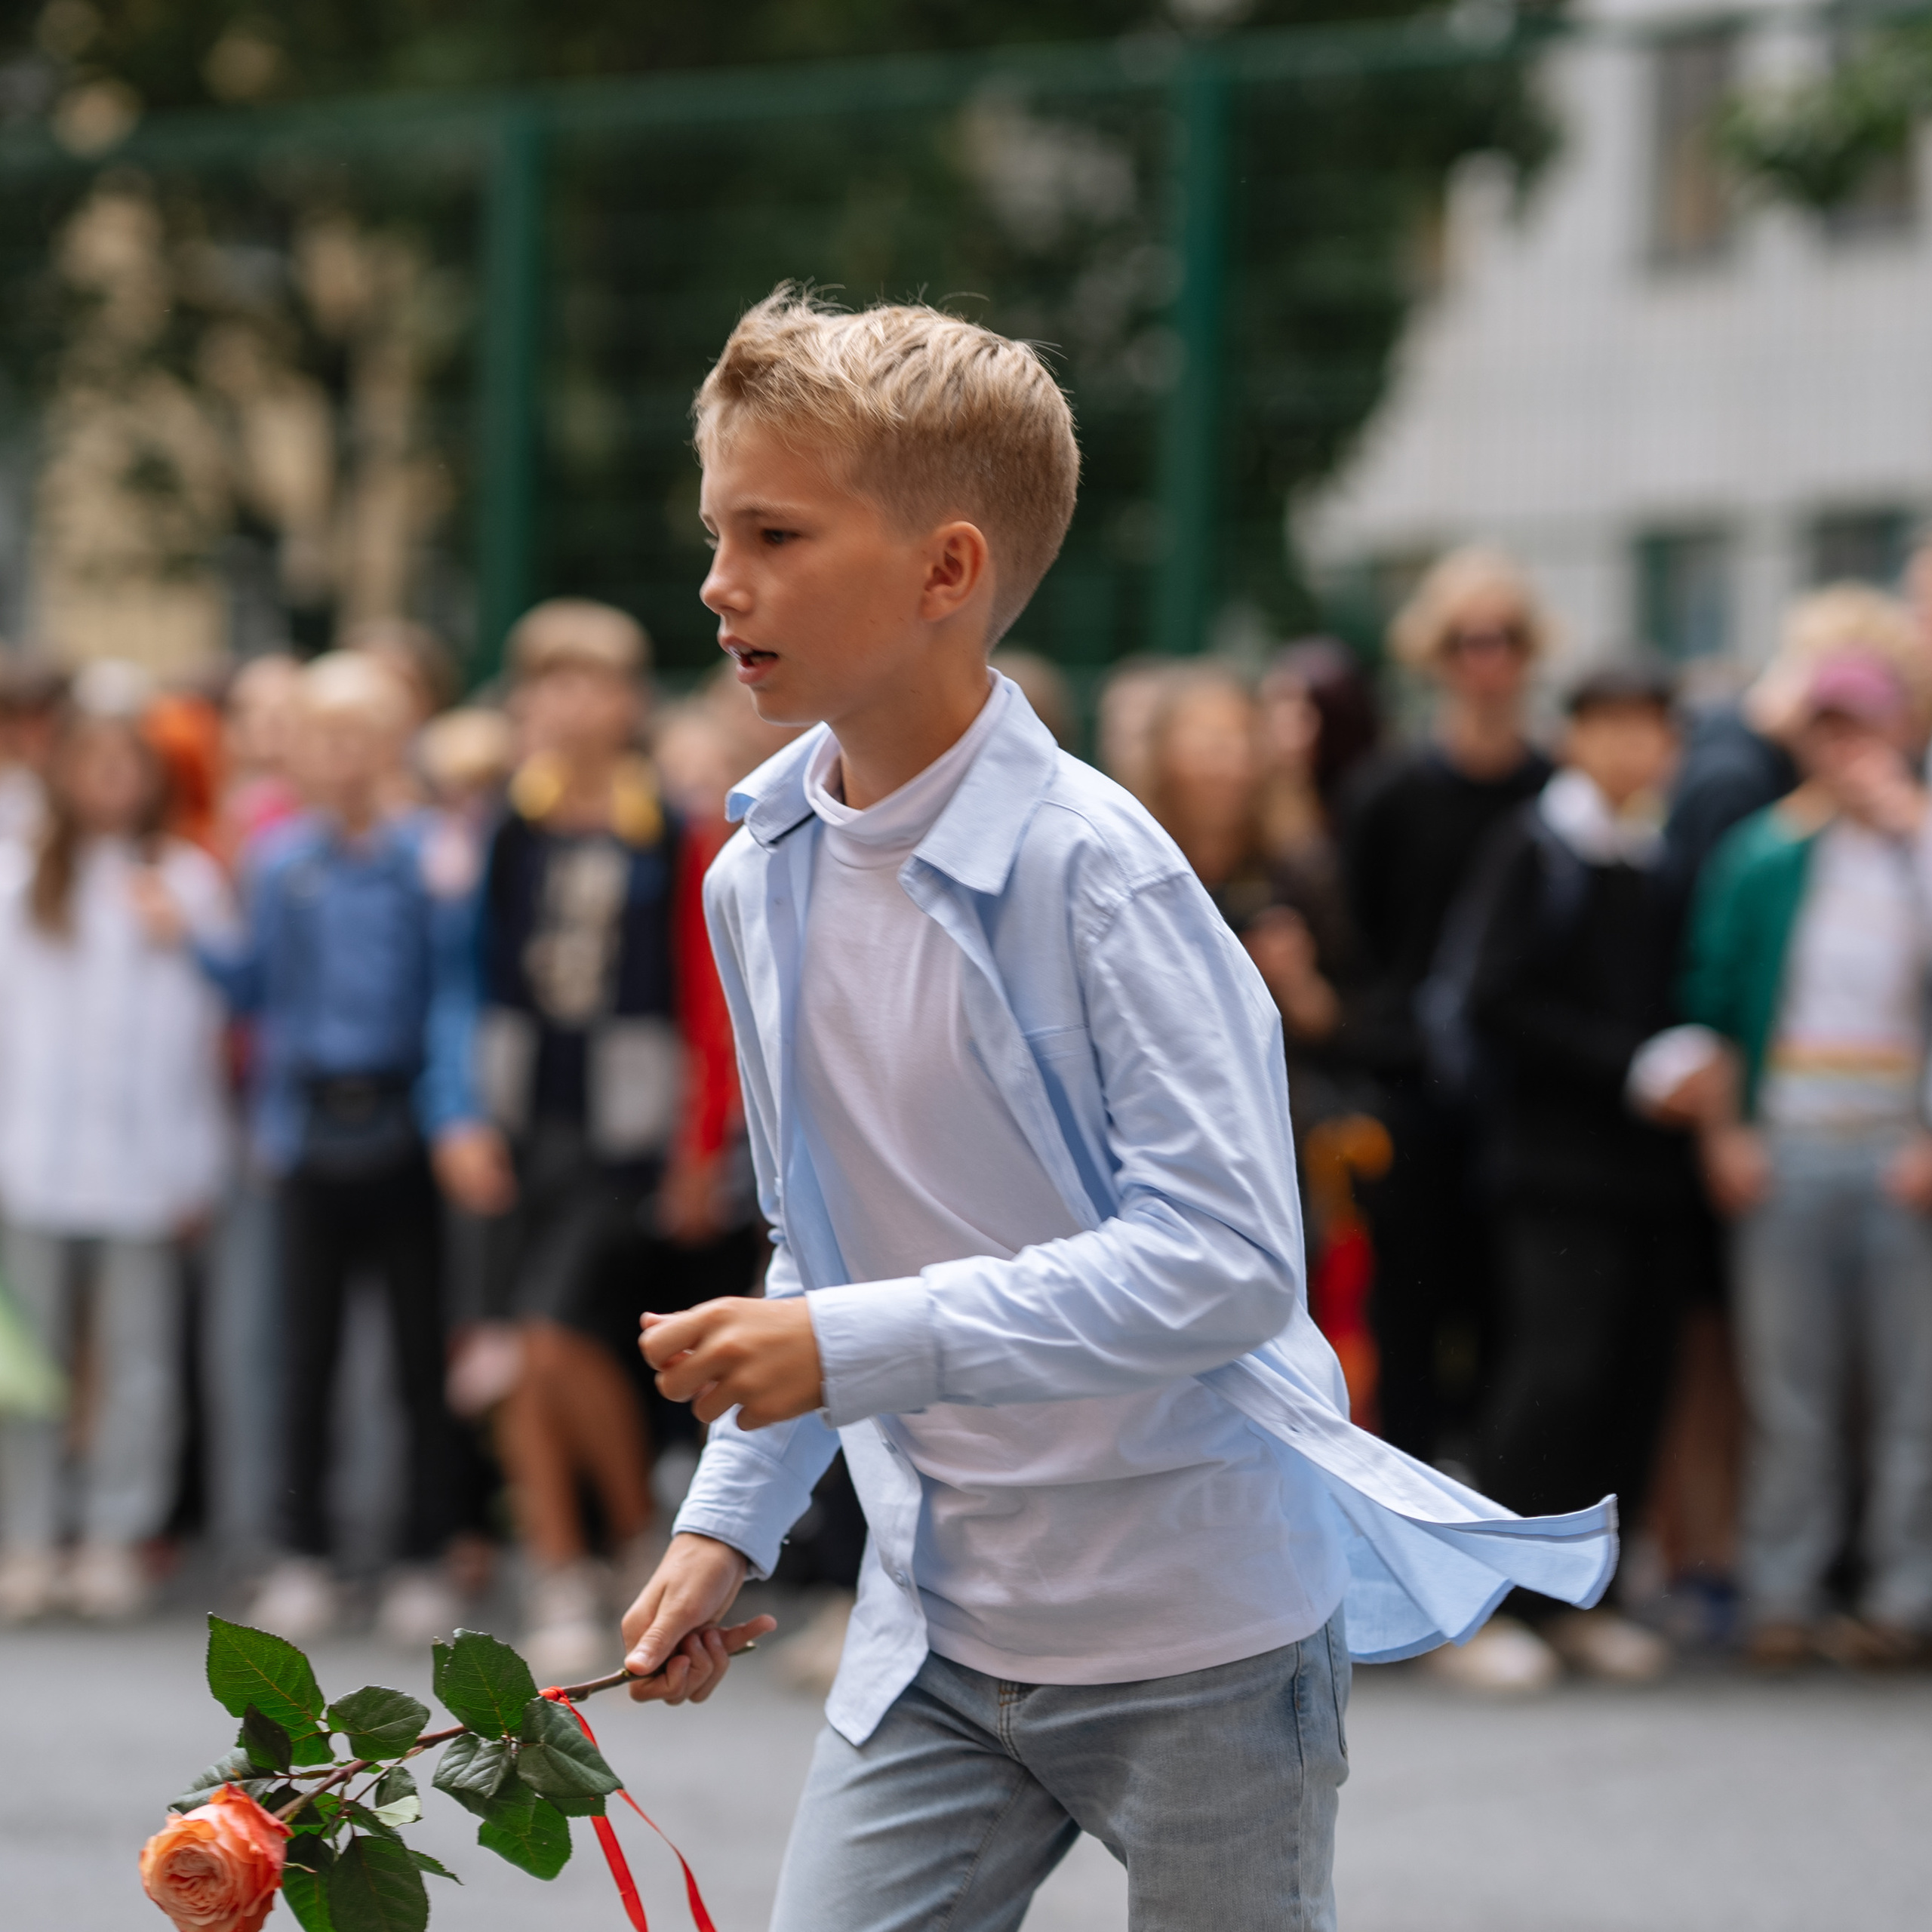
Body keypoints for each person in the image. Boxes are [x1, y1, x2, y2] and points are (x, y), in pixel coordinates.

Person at [614, 291, 1614, 1932]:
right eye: (717, 529)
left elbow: (1224, 1262)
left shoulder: (1101, 874)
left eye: (774, 532)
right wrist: (732, 1515)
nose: (720, 581)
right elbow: (823, 1241)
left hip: (1200, 1632)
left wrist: (854, 1341)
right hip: (938, 1628)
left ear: (947, 572)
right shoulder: (754, 868)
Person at [177, 650, 511, 1643]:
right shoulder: (280, 861)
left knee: (417, 1350)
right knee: (305, 1352)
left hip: (405, 1125)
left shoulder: (431, 856)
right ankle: (304, 1553)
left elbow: (452, 990)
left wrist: (451, 1110)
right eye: (326, 738)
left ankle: (419, 1553)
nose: (344, 756)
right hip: (310, 1125)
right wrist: (191, 933)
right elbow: (257, 994)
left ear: (392, 745)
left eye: (363, 737)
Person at [458, 599, 743, 1678]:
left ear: (630, 704)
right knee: (519, 1358)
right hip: (522, 1120)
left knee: (550, 1337)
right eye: (552, 682)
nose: (574, 705)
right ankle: (574, 1558)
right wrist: (466, 1113)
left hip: (626, 1130)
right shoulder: (506, 825)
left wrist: (696, 1143)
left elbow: (700, 993)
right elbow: (474, 971)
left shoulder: (668, 831)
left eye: (597, 683)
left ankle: (612, 1541)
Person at [1443, 664, 1697, 1688]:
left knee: (1631, 1381)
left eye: (1653, 730)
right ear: (1576, 736)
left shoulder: (1660, 853)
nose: (1636, 749)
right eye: (1614, 728)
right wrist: (1626, 1064)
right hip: (1550, 1168)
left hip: (1646, 1172)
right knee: (1552, 1376)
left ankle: (1584, 1599)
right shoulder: (1536, 847)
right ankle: (1485, 1605)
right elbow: (1490, 1000)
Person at [1681, 648, 1932, 1670]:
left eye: (1863, 726)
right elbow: (1713, 1000)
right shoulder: (1763, 854)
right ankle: (1782, 1591)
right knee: (1791, 1392)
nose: (1845, 748)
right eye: (1828, 728)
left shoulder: (1915, 849)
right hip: (1791, 1141)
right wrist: (1725, 1132)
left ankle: (1901, 1595)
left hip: (1896, 1146)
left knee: (1912, 1393)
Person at [0, 683, 234, 1623]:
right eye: (89, 760)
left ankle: (113, 1532)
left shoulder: (185, 880)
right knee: (31, 1363)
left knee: (140, 1359)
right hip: (34, 1157)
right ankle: (28, 1535)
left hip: (147, 1161)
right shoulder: (21, 874)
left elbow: (202, 1030)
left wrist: (194, 1158)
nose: (106, 780)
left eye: (124, 763)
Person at [1340, 546, 1555, 1468]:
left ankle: (1506, 1527)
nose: (1487, 662)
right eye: (1467, 642)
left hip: (1526, 1095)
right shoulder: (1387, 794)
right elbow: (1362, 940)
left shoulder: (1553, 791)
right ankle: (1416, 1514)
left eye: (1505, 640)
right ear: (1435, 656)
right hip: (1413, 1091)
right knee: (1411, 1310)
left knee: (1518, 1313)